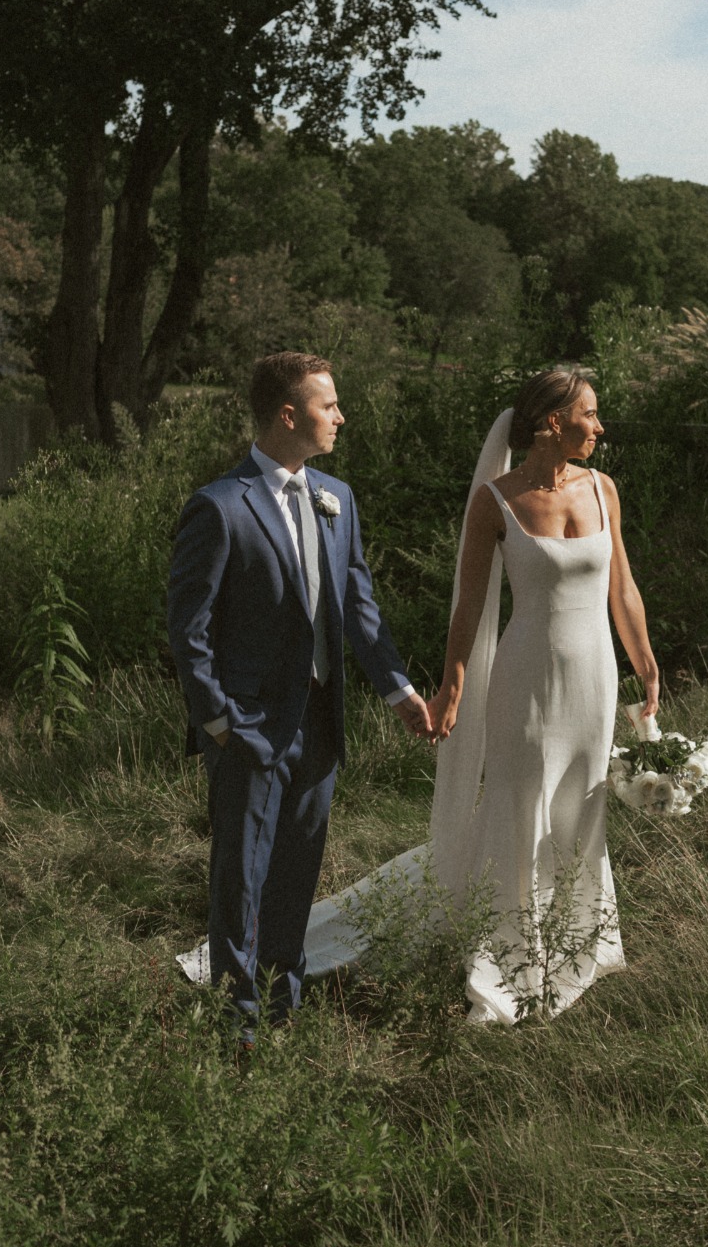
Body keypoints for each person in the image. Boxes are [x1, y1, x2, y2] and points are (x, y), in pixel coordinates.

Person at [304, 366, 659, 1025]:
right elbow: (469, 608)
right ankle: (509, 964)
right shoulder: (495, 501)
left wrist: (646, 665)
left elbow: (624, 589)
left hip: (595, 680)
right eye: (590, 414)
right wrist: (451, 691)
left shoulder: (603, 490)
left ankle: (576, 947)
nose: (600, 426)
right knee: (520, 806)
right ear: (553, 423)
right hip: (525, 680)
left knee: (582, 807)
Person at [167, 351, 430, 1040]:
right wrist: (219, 722)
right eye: (329, 405)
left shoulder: (337, 497)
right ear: (290, 415)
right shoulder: (220, 506)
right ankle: (237, 1026)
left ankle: (284, 1010)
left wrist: (396, 687)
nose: (341, 416)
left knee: (296, 873)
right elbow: (187, 631)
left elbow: (358, 606)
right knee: (241, 880)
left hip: (319, 720)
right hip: (248, 725)